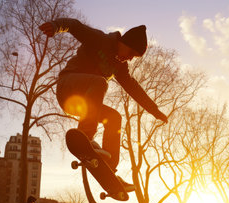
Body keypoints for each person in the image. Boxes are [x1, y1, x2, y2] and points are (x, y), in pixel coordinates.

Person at [39, 18, 168, 191]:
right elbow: (75, 26)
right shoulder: (101, 40)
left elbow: (134, 89)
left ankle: (110, 170)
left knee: (114, 117)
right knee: (100, 82)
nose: (129, 59)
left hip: (85, 103)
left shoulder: (119, 67)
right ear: (123, 42)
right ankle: (85, 135)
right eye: (130, 53)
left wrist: (155, 111)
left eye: (133, 57)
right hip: (67, 88)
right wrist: (56, 27)